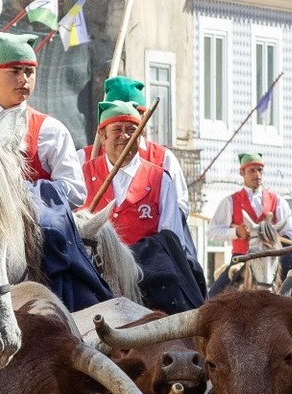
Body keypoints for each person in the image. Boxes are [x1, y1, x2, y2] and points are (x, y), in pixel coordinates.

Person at [83, 78, 205, 313]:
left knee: (187, 279)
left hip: (147, 267)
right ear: (102, 132)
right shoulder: (83, 162)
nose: (126, 135)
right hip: (94, 268)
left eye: (133, 126)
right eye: (117, 128)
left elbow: (173, 228)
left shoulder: (162, 167)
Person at [0, 30, 85, 206]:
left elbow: (76, 192)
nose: (23, 79)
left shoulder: (50, 130)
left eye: (29, 72)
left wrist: (21, 191)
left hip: (34, 230)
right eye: (15, 71)